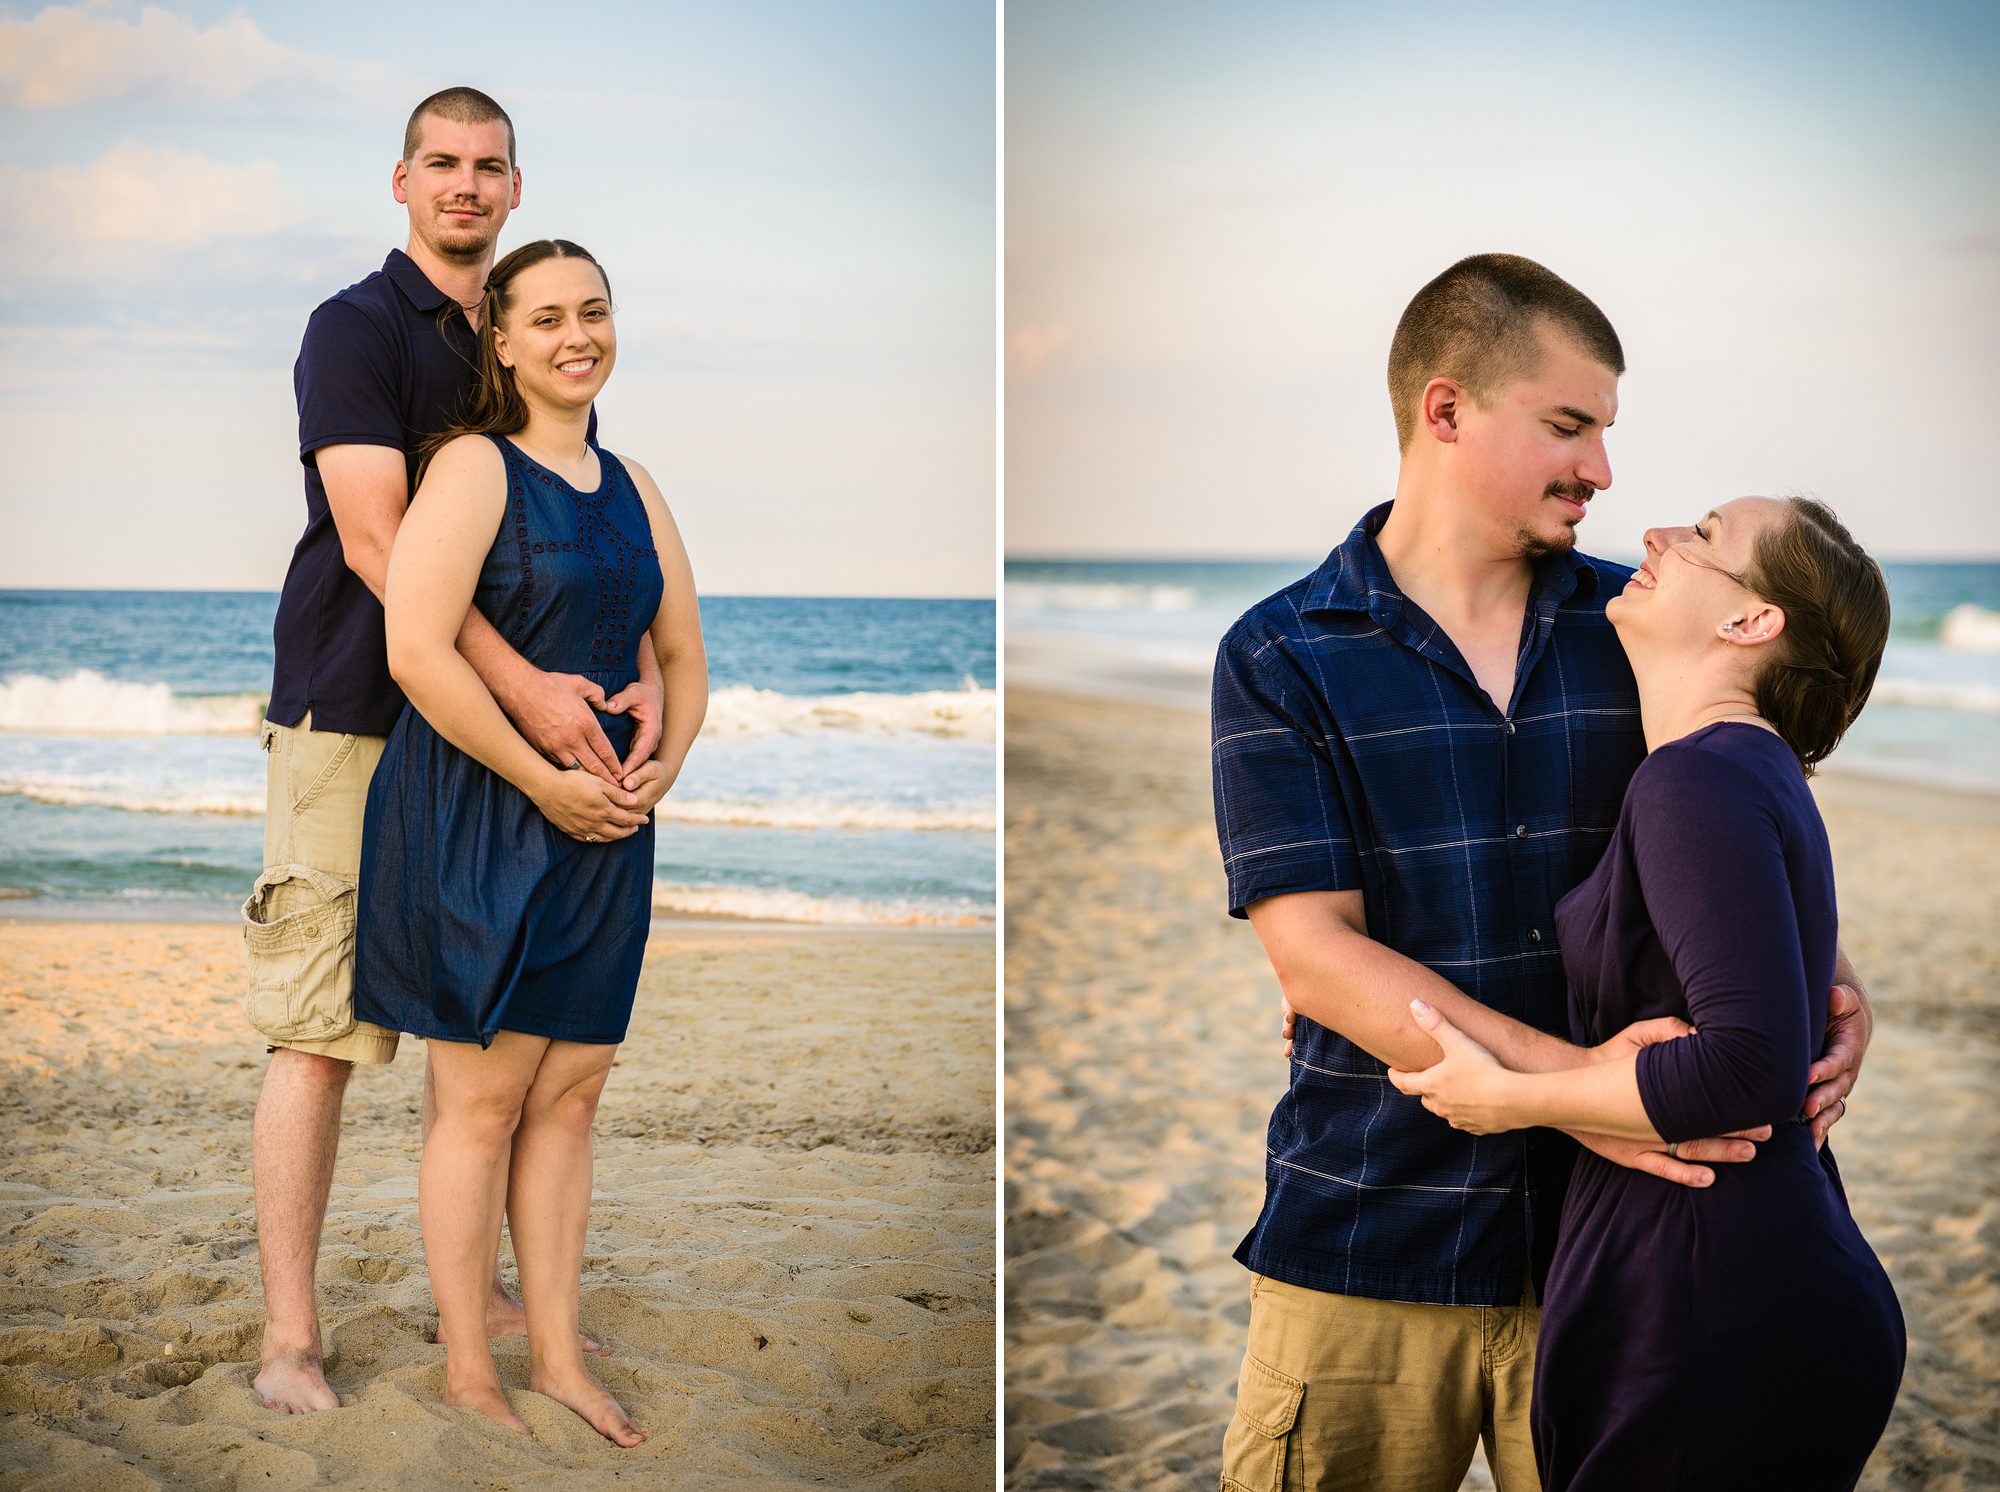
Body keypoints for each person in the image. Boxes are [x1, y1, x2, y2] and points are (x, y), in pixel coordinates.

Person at [1208, 254, 1873, 1491]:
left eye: (1605, 431)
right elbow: (1315, 954)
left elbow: (1748, 826)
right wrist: (1586, 1088)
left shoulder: (1636, 622)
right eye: (1567, 426)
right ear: (1445, 409)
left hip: (1618, 1256)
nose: (1602, 473)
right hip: (1367, 1222)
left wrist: (1825, 985)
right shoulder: (1279, 653)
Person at [245, 86, 661, 1415]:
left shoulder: (526, 330)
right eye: (443, 165)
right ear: (402, 182)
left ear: (517, 189)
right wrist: (528, 685)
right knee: (320, 1032)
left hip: (480, 748)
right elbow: (377, 547)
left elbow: (584, 535)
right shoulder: (357, 330)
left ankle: (474, 1304)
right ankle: (292, 1339)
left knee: (469, 1036)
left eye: (489, 167)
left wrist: (627, 668)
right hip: (356, 717)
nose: (466, 187)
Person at [1388, 495, 1904, 1489]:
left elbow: (1747, 1066)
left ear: (1750, 623)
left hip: (1707, 1300)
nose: (1657, 536)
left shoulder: (1695, 780)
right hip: (1740, 1278)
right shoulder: (1743, 768)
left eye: (1705, 537)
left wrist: (1511, 1098)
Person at [353, 237, 706, 1445]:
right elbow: (417, 649)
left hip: (607, 824)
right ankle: (468, 1365)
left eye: (594, 312)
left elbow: (683, 658)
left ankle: (556, 1352)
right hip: (481, 811)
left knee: (573, 1094)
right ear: (500, 342)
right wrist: (539, 779)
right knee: (484, 1102)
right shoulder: (471, 469)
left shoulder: (638, 483)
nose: (577, 336)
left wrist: (662, 750)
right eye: (547, 317)